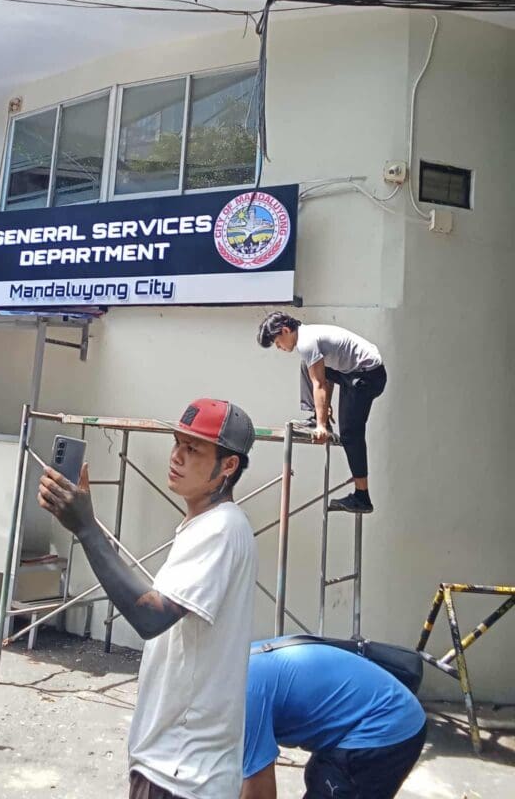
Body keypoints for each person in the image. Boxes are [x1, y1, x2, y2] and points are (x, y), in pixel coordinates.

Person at [38, 398, 258, 799]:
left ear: (228, 466)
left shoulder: (222, 529)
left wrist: (87, 529)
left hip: (183, 773)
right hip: (174, 764)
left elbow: (151, 618)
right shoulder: (205, 525)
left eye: (194, 449)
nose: (176, 456)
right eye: (177, 443)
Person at [241, 638, 427, 799]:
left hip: (387, 722)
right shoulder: (238, 664)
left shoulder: (244, 696)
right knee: (320, 778)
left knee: (338, 788)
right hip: (366, 712)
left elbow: (259, 790)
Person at [257, 313, 386, 514]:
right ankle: (314, 417)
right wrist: (322, 415)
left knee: (350, 434)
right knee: (307, 366)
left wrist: (322, 426)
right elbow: (325, 378)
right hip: (355, 372)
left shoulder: (307, 341)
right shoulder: (309, 335)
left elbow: (319, 385)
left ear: (284, 331)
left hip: (367, 376)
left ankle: (362, 496)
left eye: (277, 342)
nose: (279, 348)